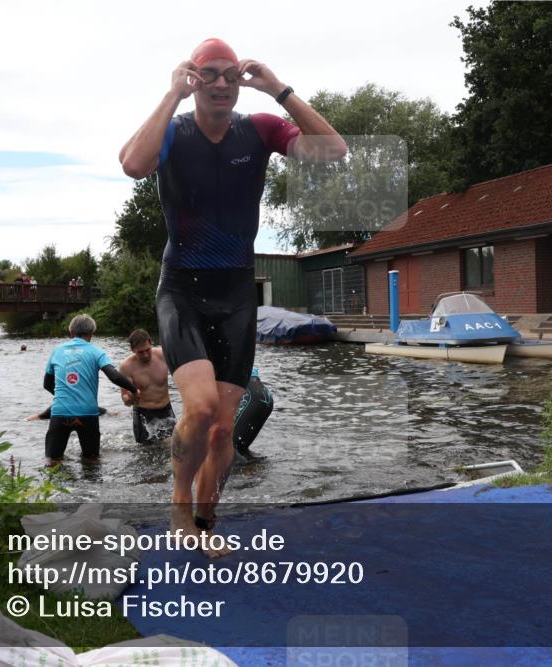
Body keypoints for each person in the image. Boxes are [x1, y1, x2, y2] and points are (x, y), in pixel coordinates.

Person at [118, 37, 345, 554]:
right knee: (197, 409)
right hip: (183, 290)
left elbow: (333, 152)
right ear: (194, 79)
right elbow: (133, 164)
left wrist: (278, 89)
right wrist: (171, 95)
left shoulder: (259, 130)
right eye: (209, 74)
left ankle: (205, 523)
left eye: (230, 75)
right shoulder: (172, 132)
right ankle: (179, 506)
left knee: (223, 431)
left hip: (238, 294)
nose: (221, 83)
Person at [42, 314, 139, 464]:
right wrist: (133, 389)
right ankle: (92, 486)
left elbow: (47, 384)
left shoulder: (57, 351)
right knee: (92, 461)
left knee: (53, 461)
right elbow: (113, 376)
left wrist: (66, 395)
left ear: (71, 332)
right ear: (91, 334)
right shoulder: (96, 352)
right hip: (87, 414)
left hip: (60, 413)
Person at [118, 329, 175, 444]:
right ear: (132, 350)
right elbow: (125, 400)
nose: (145, 355)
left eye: (147, 350)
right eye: (140, 352)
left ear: (151, 343)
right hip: (143, 414)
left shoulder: (164, 355)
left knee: (175, 447)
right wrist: (130, 398)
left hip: (166, 410)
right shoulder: (126, 367)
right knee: (146, 454)